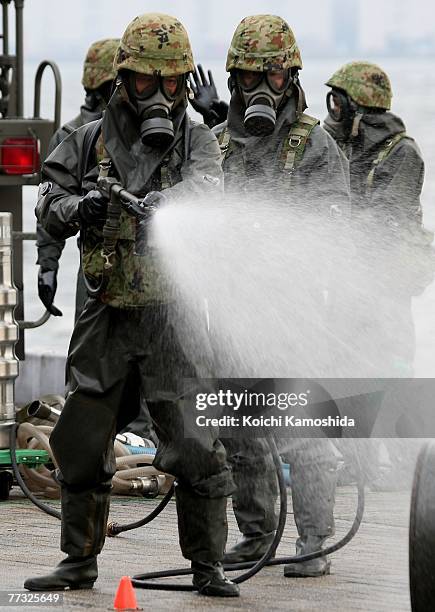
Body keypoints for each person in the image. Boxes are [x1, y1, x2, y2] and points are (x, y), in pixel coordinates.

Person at [24, 13, 239, 597]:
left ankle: (206, 566)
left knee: (196, 443)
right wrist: (80, 210)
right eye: (150, 82)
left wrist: (165, 203)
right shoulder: (89, 138)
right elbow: (48, 198)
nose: (164, 96)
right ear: (125, 79)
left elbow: (208, 190)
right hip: (107, 315)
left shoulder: (196, 139)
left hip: (175, 319)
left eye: (175, 84)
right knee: (81, 438)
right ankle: (78, 561)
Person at [213, 14, 350, 577]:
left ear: (290, 77)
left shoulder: (314, 146)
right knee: (238, 425)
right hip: (230, 309)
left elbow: (334, 230)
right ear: (233, 81)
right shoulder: (220, 142)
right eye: (248, 77)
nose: (258, 88)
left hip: (292, 312)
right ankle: (256, 534)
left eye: (269, 75)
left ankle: (313, 540)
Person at [324, 61, 434, 489]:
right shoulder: (344, 145)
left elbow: (384, 217)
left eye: (339, 103)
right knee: (346, 373)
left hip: (385, 290)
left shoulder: (403, 153)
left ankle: (410, 467)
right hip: (349, 287)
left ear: (359, 107)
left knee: (392, 374)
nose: (331, 111)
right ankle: (360, 463)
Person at [37, 38, 119, 320]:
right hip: (95, 270)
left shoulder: (135, 133)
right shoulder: (74, 136)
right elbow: (51, 206)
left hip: (135, 273)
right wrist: (48, 266)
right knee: (88, 358)